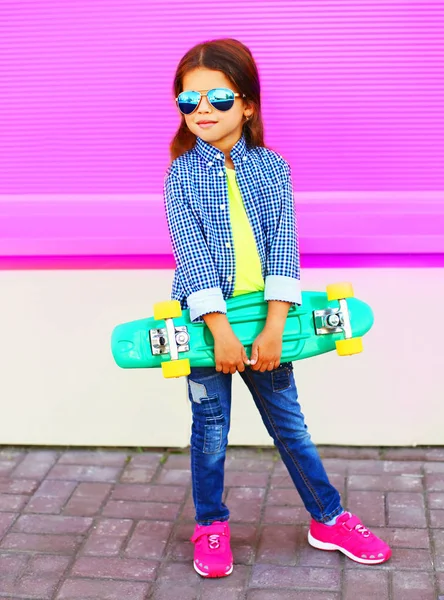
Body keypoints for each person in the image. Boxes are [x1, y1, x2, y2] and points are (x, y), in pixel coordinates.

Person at [163, 38, 391, 578]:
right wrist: (218, 331)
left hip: (268, 324)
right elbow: (191, 253)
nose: (201, 110)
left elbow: (282, 246)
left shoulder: (272, 169)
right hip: (205, 328)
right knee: (210, 429)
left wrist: (275, 328)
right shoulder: (180, 174)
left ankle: (327, 517)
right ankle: (211, 524)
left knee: (290, 427)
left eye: (217, 99)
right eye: (188, 100)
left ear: (247, 104)